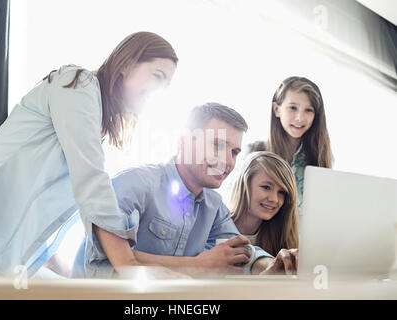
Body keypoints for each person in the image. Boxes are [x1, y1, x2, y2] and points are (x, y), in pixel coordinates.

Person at [0, 31, 178, 278]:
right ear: (128, 64)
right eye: (157, 76)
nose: (159, 90)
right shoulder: (78, 84)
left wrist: (63, 272)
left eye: (165, 85)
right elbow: (92, 183)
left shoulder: (91, 122)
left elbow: (37, 210)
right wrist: (127, 264)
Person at [72, 103, 297, 279]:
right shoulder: (135, 184)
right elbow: (102, 261)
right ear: (184, 142)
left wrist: (272, 265)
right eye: (217, 145)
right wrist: (199, 266)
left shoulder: (214, 206)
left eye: (235, 151)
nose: (227, 161)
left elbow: (244, 253)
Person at [226, 76, 333, 216]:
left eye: (309, 110)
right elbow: (232, 204)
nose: (300, 118)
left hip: (302, 237)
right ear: (277, 109)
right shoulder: (253, 152)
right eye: (293, 108)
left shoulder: (321, 158)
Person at [228, 151, 299, 259]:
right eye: (266, 187)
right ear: (245, 184)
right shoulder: (215, 227)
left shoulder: (282, 239)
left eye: (281, 192)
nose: (274, 199)